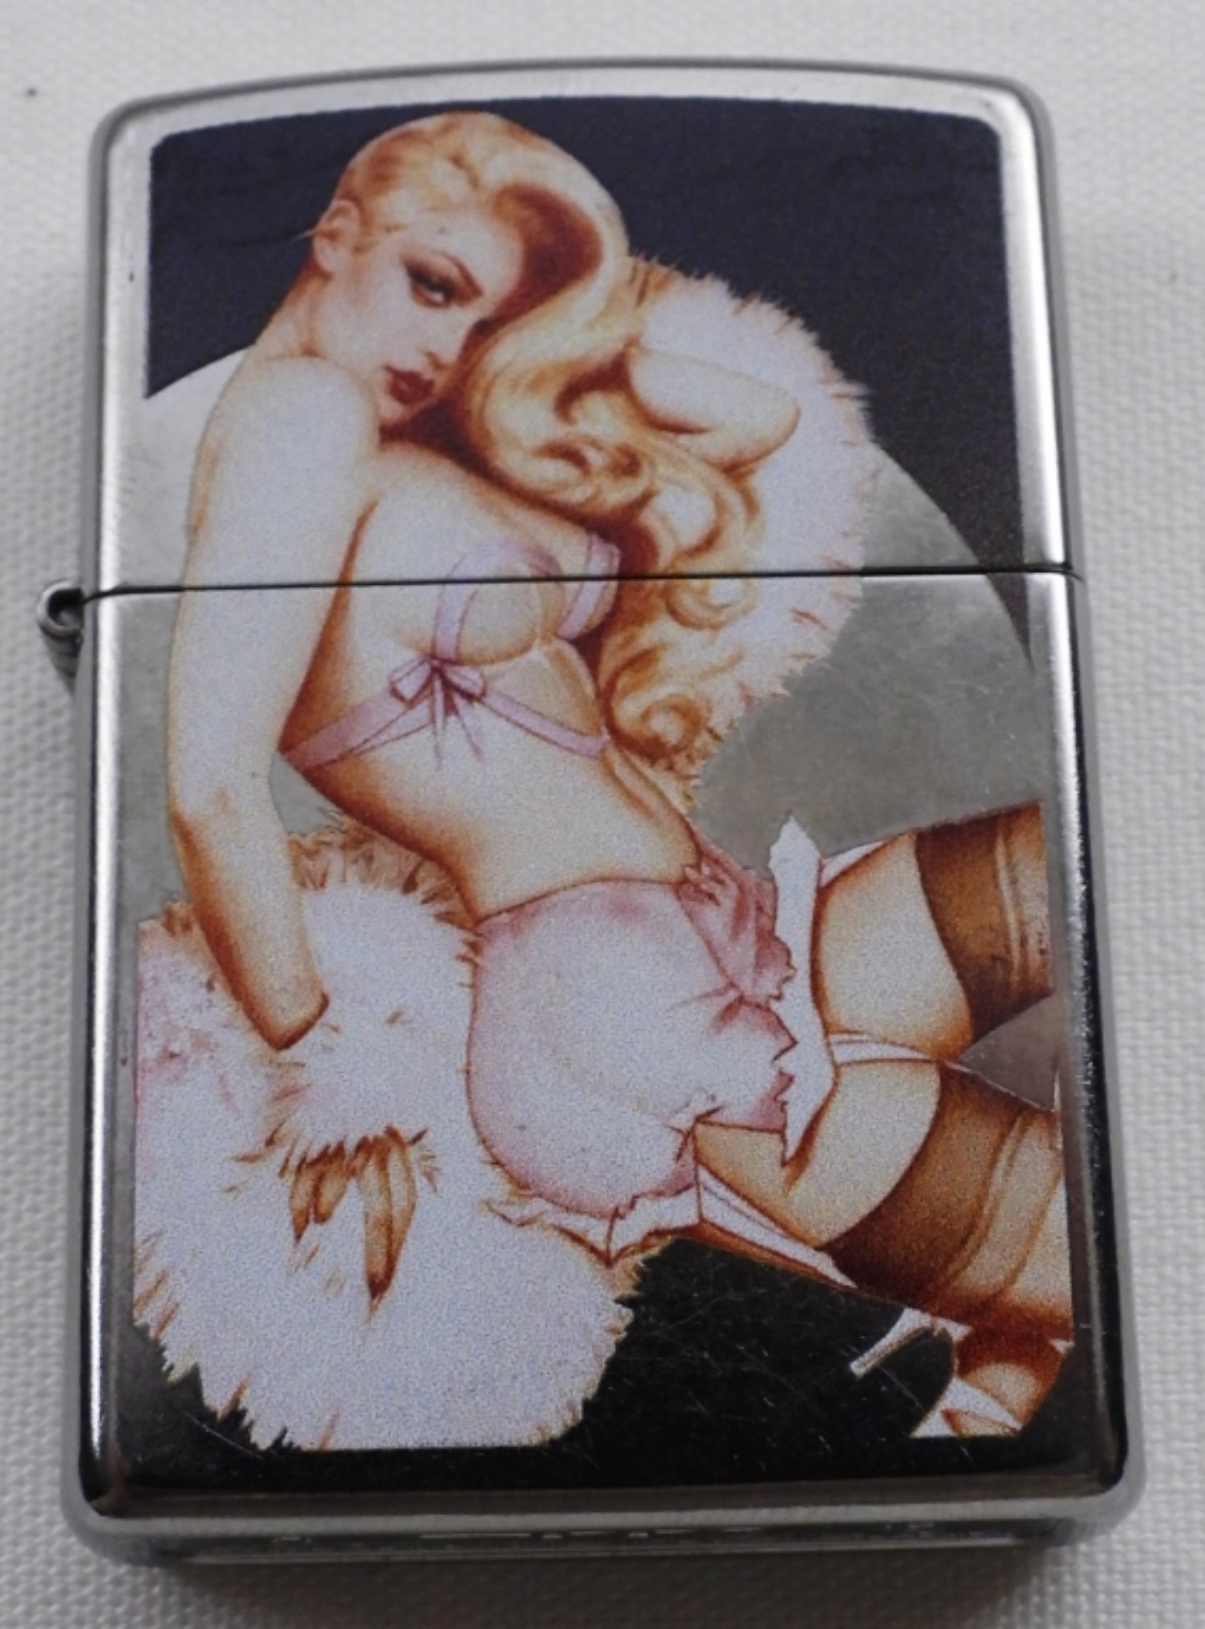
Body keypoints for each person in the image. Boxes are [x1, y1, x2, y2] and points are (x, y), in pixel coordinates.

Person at [136, 111, 1070, 1450]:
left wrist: (547, 339)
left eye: (485, 316)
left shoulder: (408, 437)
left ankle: (1000, 1362)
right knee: (1104, 1250)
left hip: (727, 929)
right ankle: (1007, 1356)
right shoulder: (301, 412)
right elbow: (212, 784)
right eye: (432, 283)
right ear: (336, 232)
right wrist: (329, 1067)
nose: (446, 344)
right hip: (619, 1019)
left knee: (1075, 895)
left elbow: (756, 422)